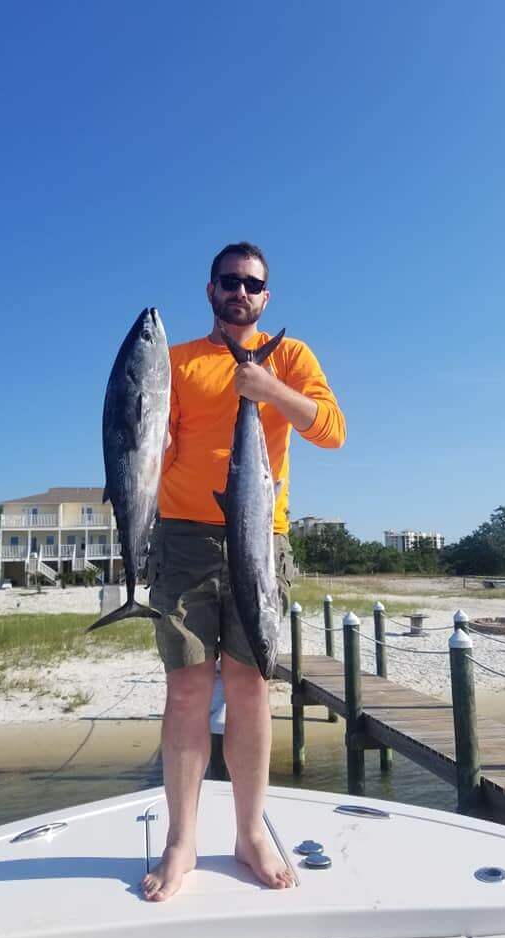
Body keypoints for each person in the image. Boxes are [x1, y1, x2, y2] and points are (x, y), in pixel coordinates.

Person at [141, 242, 346, 902]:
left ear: (266, 297)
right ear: (209, 290)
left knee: (253, 685)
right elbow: (153, 444)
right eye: (229, 282)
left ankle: (250, 832)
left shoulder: (289, 356)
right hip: (184, 539)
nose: (240, 292)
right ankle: (180, 842)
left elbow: (332, 431)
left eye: (252, 284)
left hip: (260, 534)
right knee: (187, 691)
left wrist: (266, 389)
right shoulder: (175, 363)